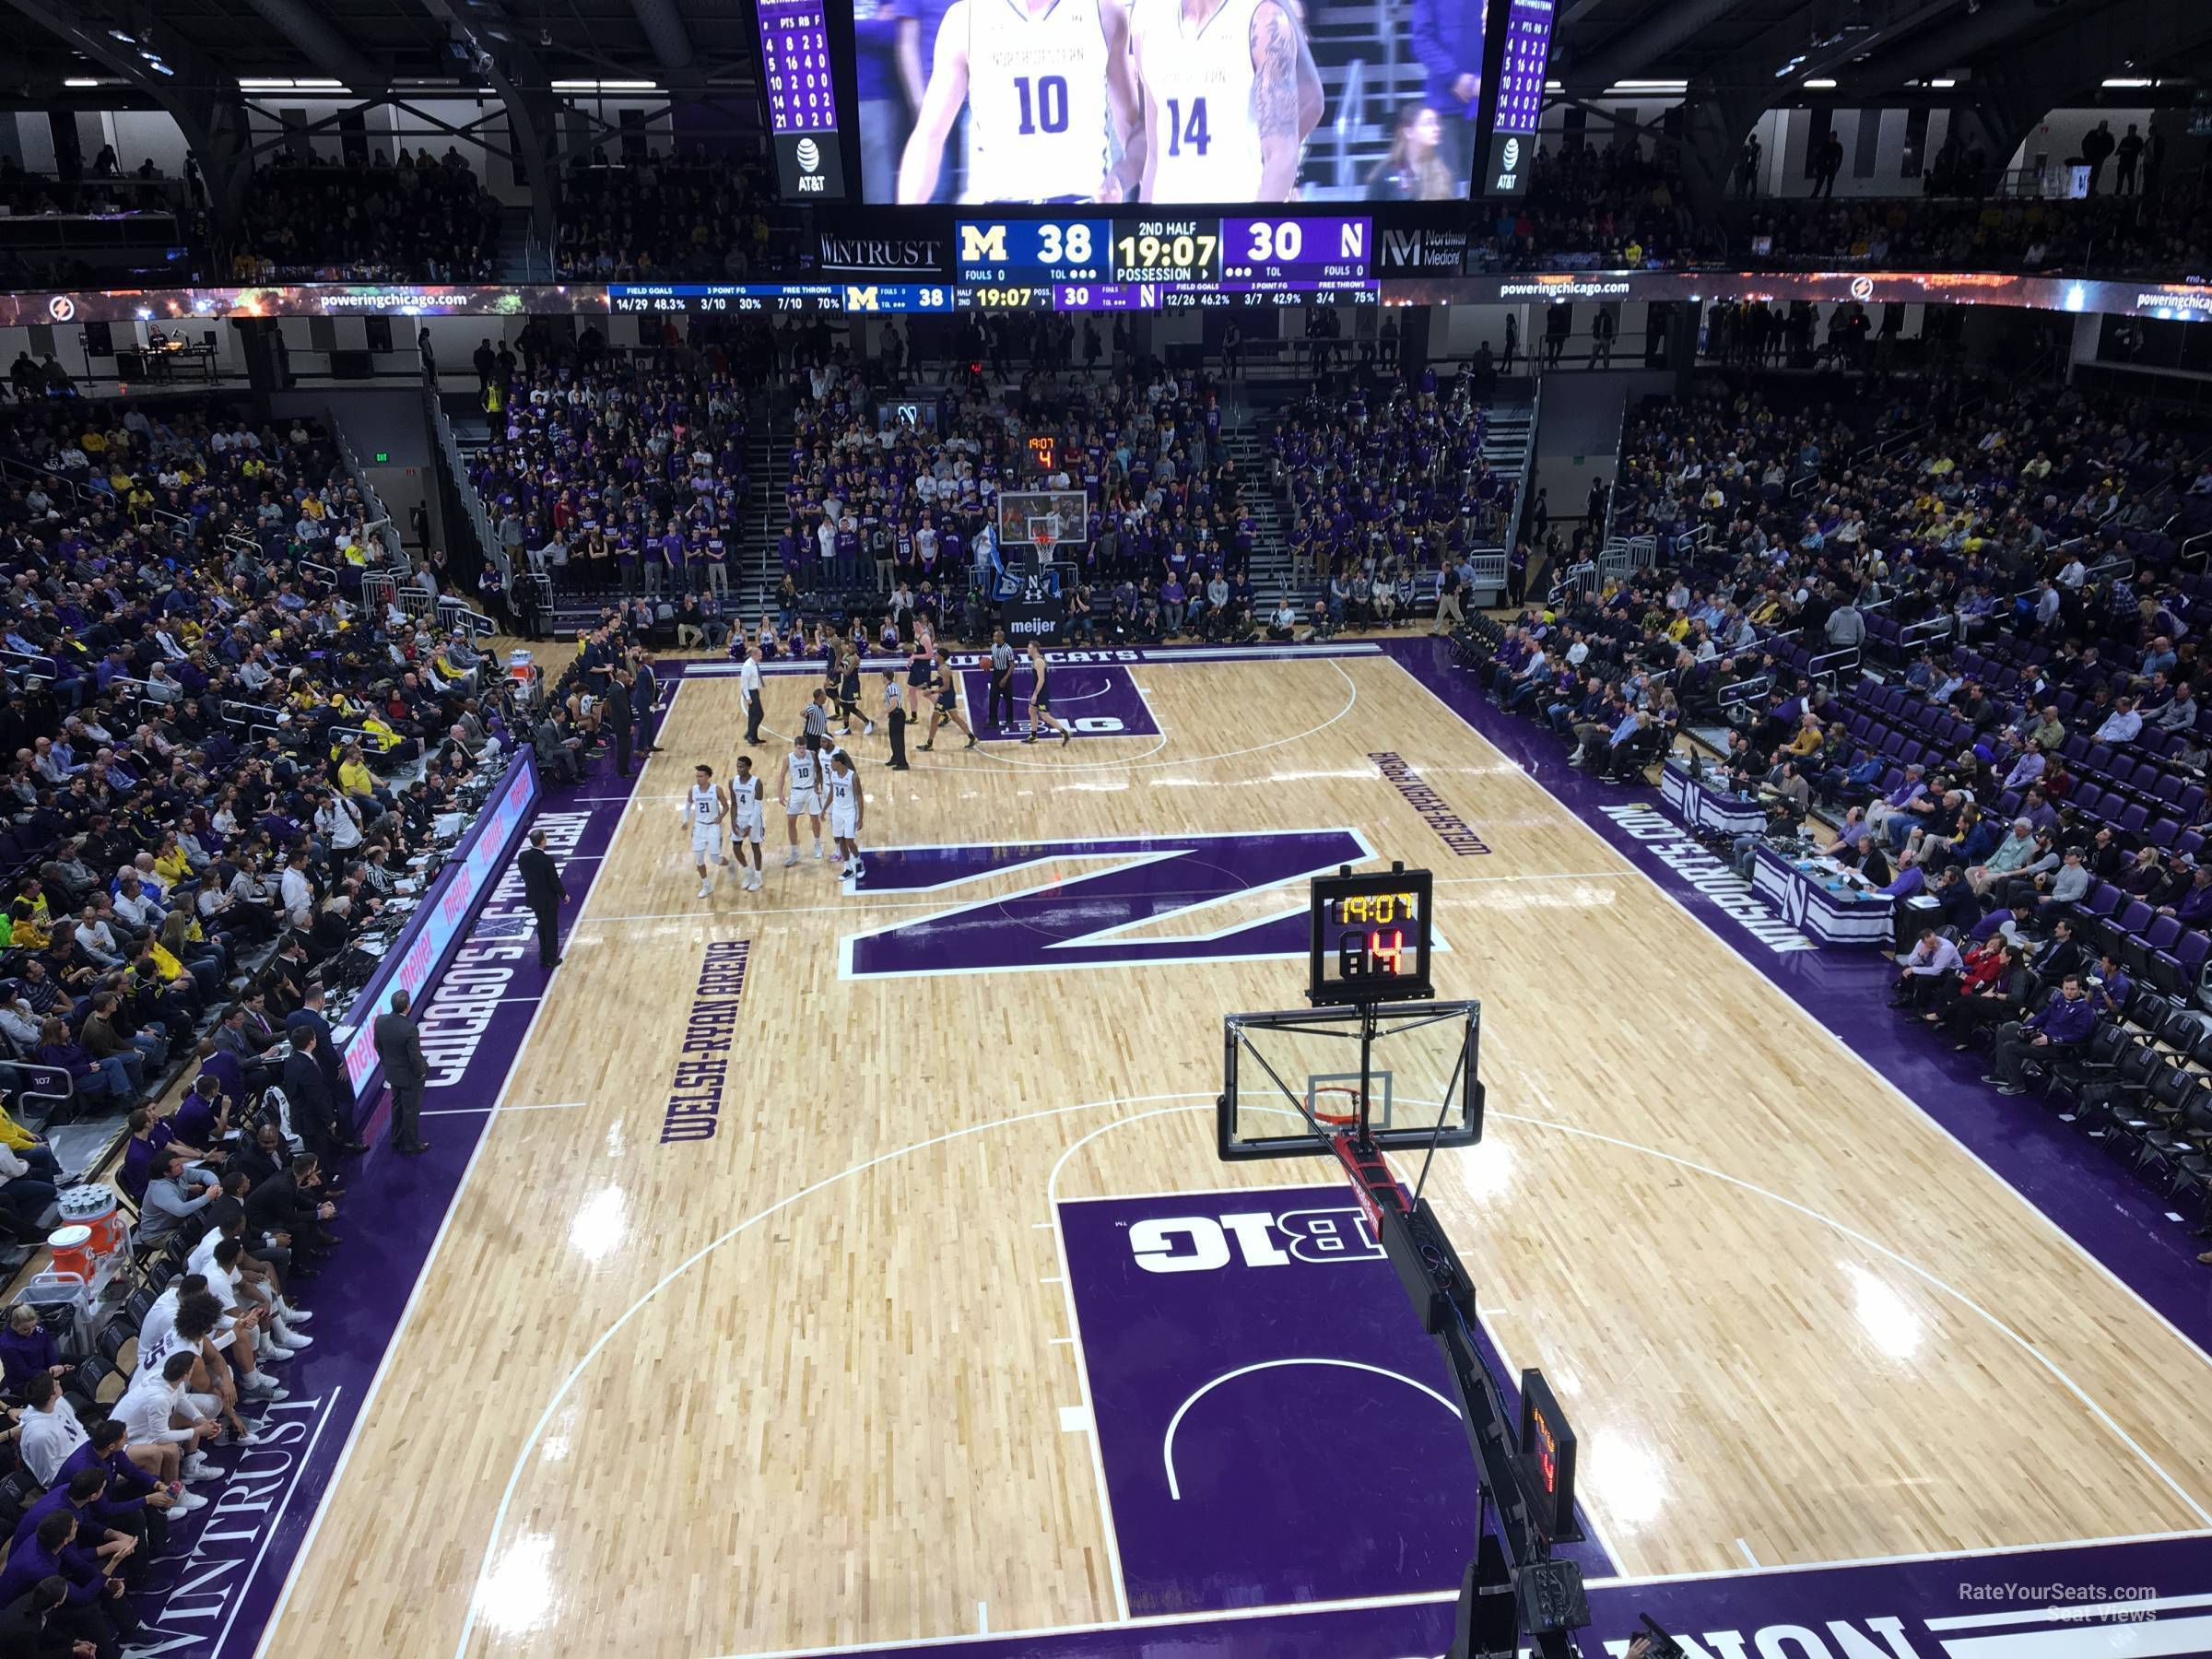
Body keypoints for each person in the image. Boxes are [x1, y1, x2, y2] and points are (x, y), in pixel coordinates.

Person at [895, 0, 1140, 204]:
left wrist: (1125, 183)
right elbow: (929, 135)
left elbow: (1132, 126)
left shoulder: (1103, 12)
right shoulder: (964, 19)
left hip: (1083, 203)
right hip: (998, 213)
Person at [1131, 0, 1315, 201]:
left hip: (1235, 212)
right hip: (1169, 223)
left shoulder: (1264, 19)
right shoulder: (1149, 25)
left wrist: (1250, 226)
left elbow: (1281, 156)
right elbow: (1155, 156)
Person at [1985, 974, 2096, 1095]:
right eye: (2066, 988)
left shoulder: (2085, 1011)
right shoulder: (2060, 999)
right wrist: (2028, 1028)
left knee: (2010, 1047)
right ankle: (2002, 1074)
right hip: (2040, 1035)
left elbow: (2078, 1036)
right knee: (2007, 1029)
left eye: (2073, 989)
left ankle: (2017, 1084)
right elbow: (2043, 1016)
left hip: (2056, 1047)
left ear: (2080, 990)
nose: (2069, 992)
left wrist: (2050, 1039)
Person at [373, 987, 430, 1155]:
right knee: (410, 1109)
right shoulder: (409, 1028)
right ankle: (411, 1144)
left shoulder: (380, 1020)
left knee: (397, 1105)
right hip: (409, 1076)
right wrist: (421, 1073)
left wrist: (385, 1062)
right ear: (408, 1006)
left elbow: (377, 1045)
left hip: (391, 1073)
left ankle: (396, 1139)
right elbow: (414, 1057)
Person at [517, 829, 569, 970]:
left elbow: (525, 874)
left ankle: (543, 957)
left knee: (541, 926)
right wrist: (564, 894)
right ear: (542, 841)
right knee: (550, 929)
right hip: (548, 900)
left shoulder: (522, 856)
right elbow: (554, 881)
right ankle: (550, 960)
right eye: (546, 837)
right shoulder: (546, 860)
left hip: (534, 898)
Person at [684, 763, 732, 900]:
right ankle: (706, 885)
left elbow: (726, 807)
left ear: (708, 777)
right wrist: (685, 821)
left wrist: (720, 817)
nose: (698, 778)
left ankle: (731, 864)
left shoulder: (717, 790)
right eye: (697, 776)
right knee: (699, 860)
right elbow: (687, 807)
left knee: (715, 859)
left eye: (701, 776)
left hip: (713, 827)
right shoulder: (693, 790)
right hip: (699, 828)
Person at [917, 649, 979, 751]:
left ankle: (929, 744)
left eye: (936, 655)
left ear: (941, 657)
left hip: (946, 697)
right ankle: (973, 738)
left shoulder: (944, 669)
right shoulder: (942, 667)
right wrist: (927, 684)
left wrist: (931, 692)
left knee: (934, 719)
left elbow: (946, 687)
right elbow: (939, 681)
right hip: (948, 696)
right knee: (955, 718)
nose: (935, 656)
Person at [780, 736, 828, 865]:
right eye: (799, 748)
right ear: (795, 747)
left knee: (815, 819)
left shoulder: (812, 755)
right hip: (796, 791)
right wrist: (780, 793)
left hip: (811, 791)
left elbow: (819, 770)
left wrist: (818, 783)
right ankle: (794, 852)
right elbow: (782, 776)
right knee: (790, 821)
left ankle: (817, 844)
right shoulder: (788, 759)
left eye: (804, 747)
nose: (802, 750)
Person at [727, 756, 767, 893]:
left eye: (742, 766)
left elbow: (757, 807)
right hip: (739, 818)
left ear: (749, 767)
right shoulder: (732, 782)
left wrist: (749, 826)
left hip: (754, 818)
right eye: (737, 766)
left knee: (755, 847)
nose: (739, 769)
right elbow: (733, 804)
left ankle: (758, 877)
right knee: (736, 848)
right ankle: (747, 870)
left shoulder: (757, 783)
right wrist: (733, 823)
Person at [827, 750, 867, 880]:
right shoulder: (832, 774)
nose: (830, 764)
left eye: (832, 762)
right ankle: (848, 868)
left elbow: (860, 797)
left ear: (839, 763)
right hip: (837, 811)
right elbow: (832, 793)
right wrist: (824, 809)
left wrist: (860, 818)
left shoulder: (853, 777)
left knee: (850, 841)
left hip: (850, 811)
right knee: (840, 840)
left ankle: (858, 862)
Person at [1023, 641, 1073, 745]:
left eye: (1029, 648)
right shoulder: (1036, 660)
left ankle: (1065, 733)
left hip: (1042, 693)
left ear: (1035, 649)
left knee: (1044, 715)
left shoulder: (1039, 661)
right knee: (1031, 711)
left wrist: (1035, 694)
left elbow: (1041, 680)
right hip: (1038, 691)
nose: (1027, 650)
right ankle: (1033, 736)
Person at [986, 629, 1017, 731]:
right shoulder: (993, 647)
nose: (994, 638)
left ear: (1001, 638)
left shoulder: (1008, 649)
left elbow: (1012, 666)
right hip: (996, 674)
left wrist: (1005, 678)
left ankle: (1009, 720)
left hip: (1005, 673)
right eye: (994, 636)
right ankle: (993, 721)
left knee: (1008, 699)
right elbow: (994, 660)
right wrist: (989, 665)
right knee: (993, 698)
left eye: (996, 637)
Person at [882, 670, 910, 770]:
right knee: (893, 739)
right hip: (895, 715)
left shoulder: (892, 688)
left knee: (898, 740)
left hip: (897, 715)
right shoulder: (894, 685)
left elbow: (894, 704)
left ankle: (903, 763)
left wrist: (883, 714)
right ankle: (895, 758)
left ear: (885, 677)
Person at [740, 643, 765, 747]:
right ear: (754, 655)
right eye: (759, 656)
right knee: (759, 714)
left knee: (752, 715)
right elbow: (744, 684)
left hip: (754, 691)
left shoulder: (754, 664)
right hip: (750, 693)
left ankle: (753, 736)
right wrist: (748, 698)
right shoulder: (747, 666)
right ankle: (750, 735)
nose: (761, 657)